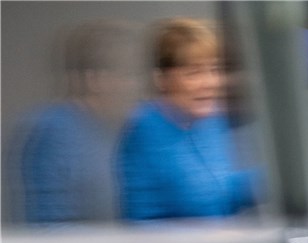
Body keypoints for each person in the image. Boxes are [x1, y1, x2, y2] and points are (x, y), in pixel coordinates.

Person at [118, 17, 257, 221]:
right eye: (194, 73)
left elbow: (225, 189)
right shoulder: (145, 129)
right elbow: (196, 198)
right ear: (161, 79)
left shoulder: (211, 121)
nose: (209, 82)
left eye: (214, 70)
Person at [19, 20, 142, 224]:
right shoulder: (53, 132)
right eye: (127, 75)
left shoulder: (125, 127)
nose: (135, 86)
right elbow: (50, 224)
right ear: (95, 79)